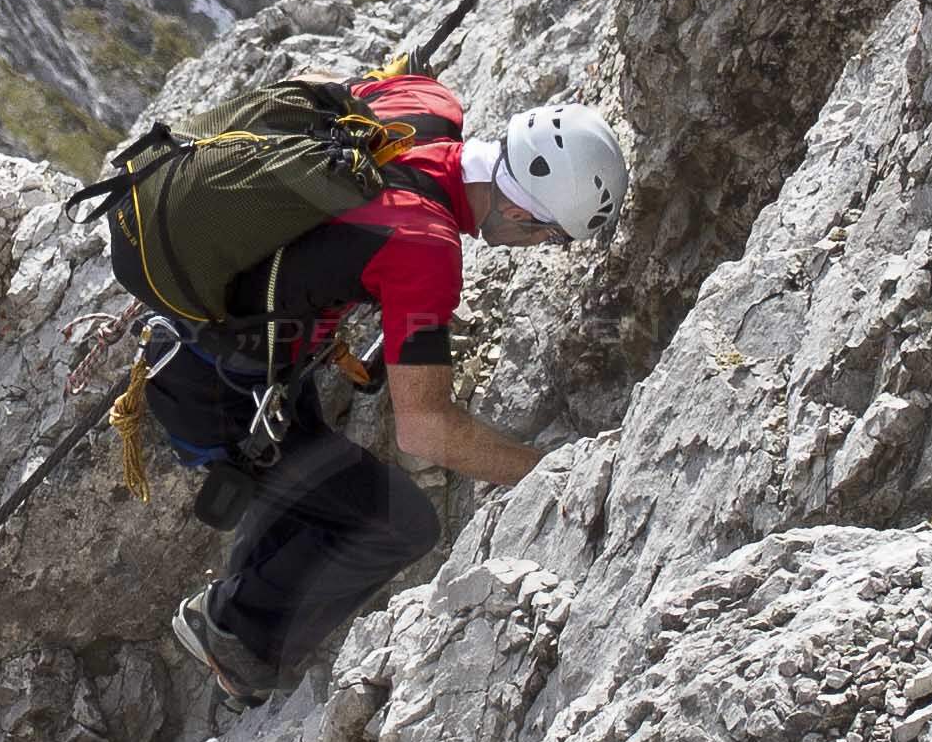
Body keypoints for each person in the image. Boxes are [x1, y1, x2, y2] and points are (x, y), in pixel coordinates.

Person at [143, 79, 628, 705]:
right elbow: (425, 428)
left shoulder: (427, 106)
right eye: (549, 236)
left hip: (219, 348)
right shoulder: (427, 250)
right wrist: (552, 470)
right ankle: (236, 636)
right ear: (516, 210)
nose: (542, 250)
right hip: (220, 388)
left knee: (315, 469)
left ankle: (234, 606)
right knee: (400, 521)